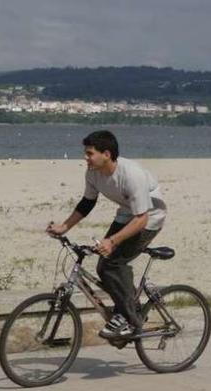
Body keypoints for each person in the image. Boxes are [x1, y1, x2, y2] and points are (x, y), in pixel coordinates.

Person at [47, 130, 167, 340]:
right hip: (125, 214)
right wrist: (64, 227)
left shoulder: (131, 174)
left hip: (150, 217)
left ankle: (129, 318)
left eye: (90, 153)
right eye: (85, 153)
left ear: (107, 154)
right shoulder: (93, 172)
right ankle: (132, 309)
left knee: (113, 264)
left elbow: (141, 219)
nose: (86, 157)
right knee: (103, 265)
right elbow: (87, 202)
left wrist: (112, 241)